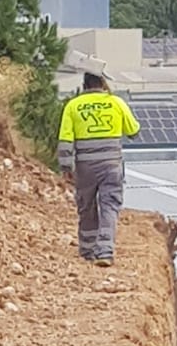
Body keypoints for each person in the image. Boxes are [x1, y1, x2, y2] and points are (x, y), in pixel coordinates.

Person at [56, 71, 141, 266]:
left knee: (86, 205)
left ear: (84, 85)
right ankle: (105, 251)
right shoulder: (116, 103)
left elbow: (65, 140)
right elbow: (134, 131)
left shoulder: (73, 105)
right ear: (102, 83)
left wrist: (66, 167)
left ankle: (87, 250)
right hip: (111, 166)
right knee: (109, 205)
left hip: (85, 167)